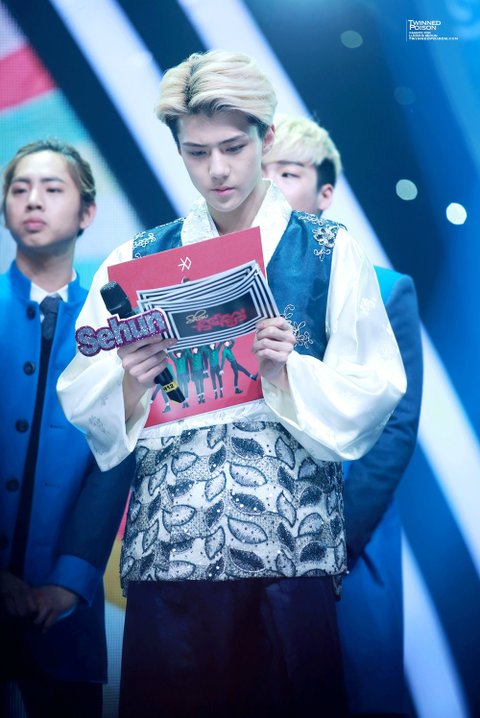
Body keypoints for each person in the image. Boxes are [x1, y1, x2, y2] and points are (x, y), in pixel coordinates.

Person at [57, 50, 406, 718]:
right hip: (170, 558)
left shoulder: (329, 251)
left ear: (265, 139)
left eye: (233, 147)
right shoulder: (137, 258)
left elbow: (376, 389)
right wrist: (130, 381)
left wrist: (290, 370)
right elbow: (81, 391)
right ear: (178, 152)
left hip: (288, 558)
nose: (216, 169)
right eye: (196, 152)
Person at [263, 114, 423, 716]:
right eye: (264, 172)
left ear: (325, 193)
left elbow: (395, 430)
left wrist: (333, 544)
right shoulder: (222, 289)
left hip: (349, 538)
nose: (272, 185)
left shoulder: (385, 288)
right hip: (248, 545)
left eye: (288, 173)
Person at [0, 139, 134, 718]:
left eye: (53, 189)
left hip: (66, 611)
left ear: (87, 212)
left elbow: (114, 459)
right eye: (19, 188)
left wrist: (72, 579)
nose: (33, 200)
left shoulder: (113, 325)